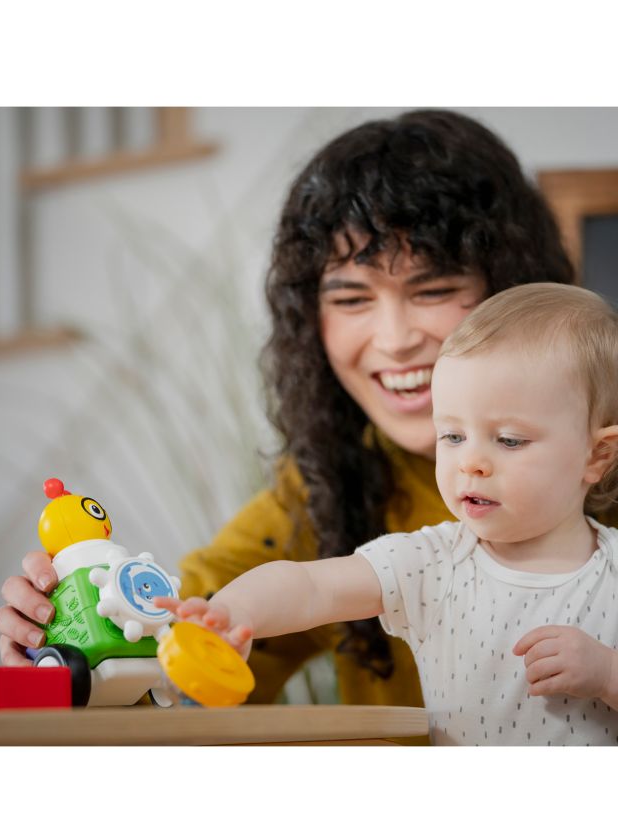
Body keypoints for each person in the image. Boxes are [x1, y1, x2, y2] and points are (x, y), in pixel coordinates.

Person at [0, 111, 579, 734]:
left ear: (513, 292)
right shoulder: (326, 490)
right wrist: (75, 649)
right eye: (351, 298)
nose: (396, 338)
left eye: (433, 290)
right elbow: (181, 647)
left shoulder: (596, 457)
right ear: (310, 318)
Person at [154, 283, 618, 746]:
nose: (470, 462)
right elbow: (311, 587)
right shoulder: (431, 563)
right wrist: (235, 610)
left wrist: (606, 673)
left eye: (510, 440)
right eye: (452, 436)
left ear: (597, 454)